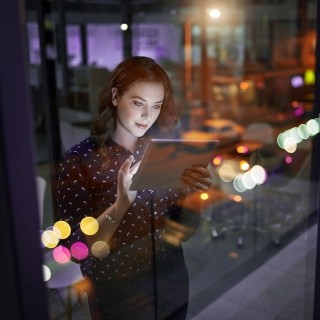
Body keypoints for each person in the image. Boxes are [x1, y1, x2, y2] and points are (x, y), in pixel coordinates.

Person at [57, 56, 212, 320]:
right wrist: (120, 205)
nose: (147, 116)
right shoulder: (80, 159)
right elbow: (75, 248)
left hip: (171, 279)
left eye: (156, 106)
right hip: (118, 292)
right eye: (138, 103)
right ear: (116, 96)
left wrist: (195, 192)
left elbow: (184, 231)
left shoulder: (162, 151)